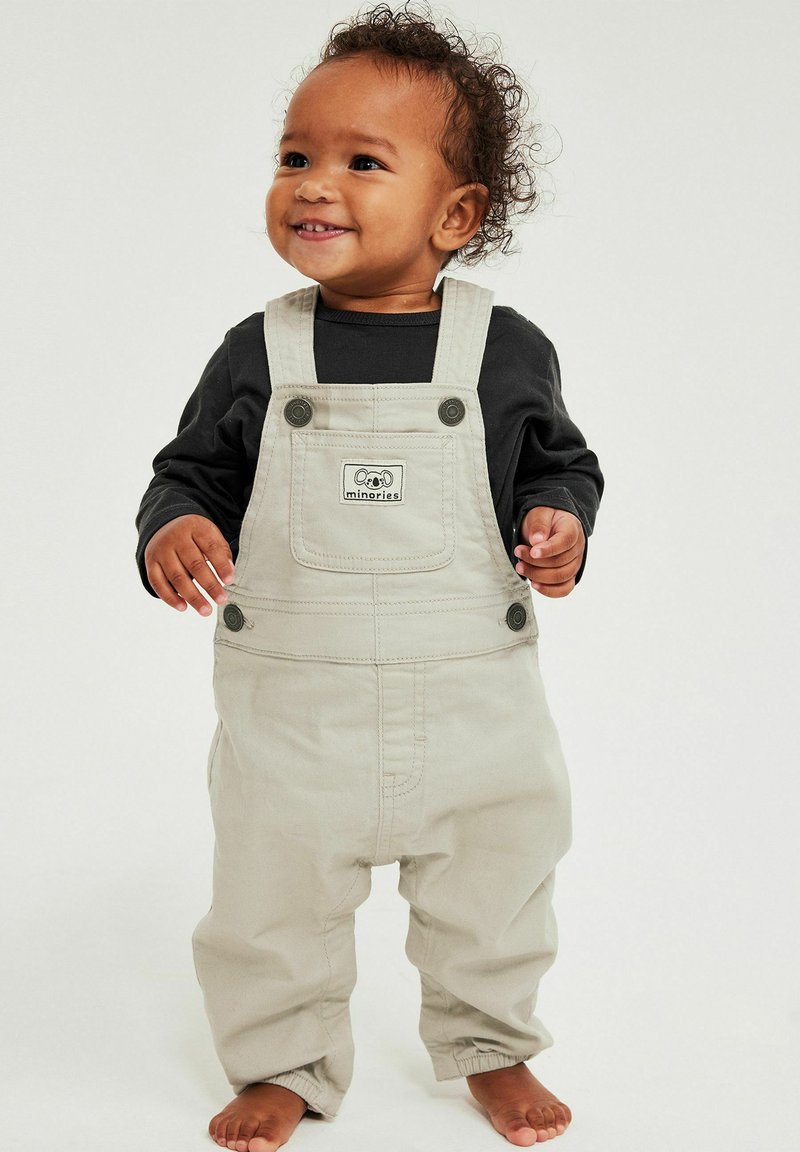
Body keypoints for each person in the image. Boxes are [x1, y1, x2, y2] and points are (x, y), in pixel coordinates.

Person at [135, 4, 604, 1149]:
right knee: (269, 899)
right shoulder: (257, 350)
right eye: (295, 154)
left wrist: (559, 523)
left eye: (360, 162)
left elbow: (558, 463)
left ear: (454, 215)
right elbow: (189, 471)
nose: (313, 182)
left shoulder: (503, 349)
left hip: (473, 710)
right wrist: (173, 528)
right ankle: (281, 1064)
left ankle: (490, 1041)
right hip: (294, 715)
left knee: (498, 882)